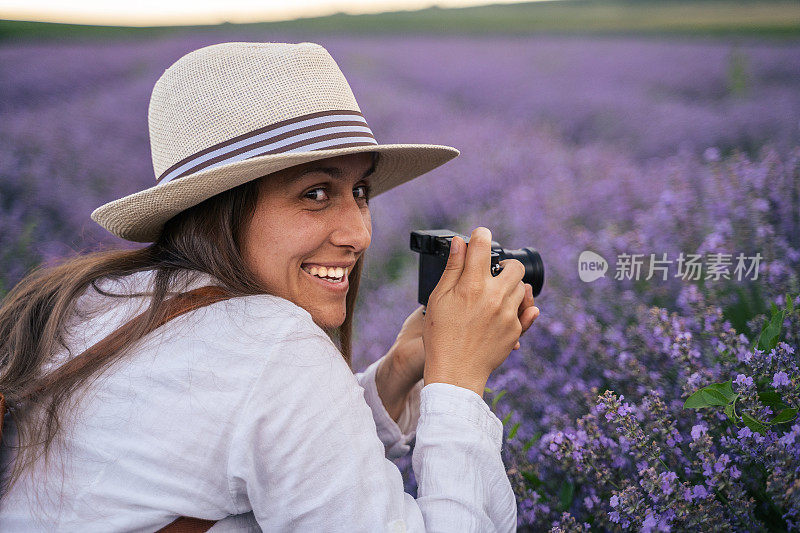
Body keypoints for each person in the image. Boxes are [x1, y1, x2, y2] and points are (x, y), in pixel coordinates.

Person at [0, 41, 539, 531]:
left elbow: (262, 441)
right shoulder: (271, 344)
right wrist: (458, 383)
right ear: (219, 209)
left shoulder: (93, 300)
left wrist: (398, 372)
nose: (360, 233)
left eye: (360, 191)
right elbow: (266, 393)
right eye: (315, 194)